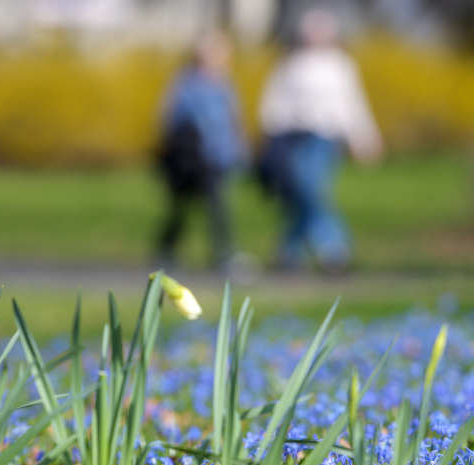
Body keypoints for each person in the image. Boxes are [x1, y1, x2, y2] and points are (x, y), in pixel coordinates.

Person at [257, 8, 382, 273]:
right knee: (304, 193)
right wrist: (268, 137)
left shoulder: (341, 65)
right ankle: (299, 252)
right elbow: (274, 103)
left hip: (325, 138)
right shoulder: (292, 63)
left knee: (311, 190)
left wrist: (365, 138)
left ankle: (327, 249)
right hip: (293, 136)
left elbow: (353, 105)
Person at [155, 31, 244, 271]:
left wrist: (239, 150)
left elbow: (233, 120)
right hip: (193, 157)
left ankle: (223, 252)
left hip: (217, 157)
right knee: (182, 206)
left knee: (217, 205)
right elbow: (170, 118)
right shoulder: (186, 83)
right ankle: (166, 248)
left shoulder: (224, 84)